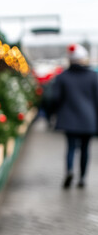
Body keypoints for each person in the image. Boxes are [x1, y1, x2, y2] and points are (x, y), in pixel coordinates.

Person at [51, 44, 98, 188]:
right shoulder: (93, 76)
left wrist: (54, 113)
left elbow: (55, 98)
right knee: (85, 149)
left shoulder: (62, 77)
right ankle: (82, 178)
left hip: (68, 118)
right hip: (88, 119)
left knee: (70, 147)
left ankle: (70, 170)